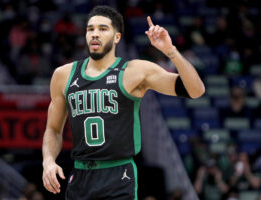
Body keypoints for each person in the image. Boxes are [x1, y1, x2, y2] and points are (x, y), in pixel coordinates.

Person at [42, 5, 205, 199]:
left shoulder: (135, 71)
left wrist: (170, 51)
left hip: (118, 174)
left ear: (117, 37)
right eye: (90, 29)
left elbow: (196, 90)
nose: (95, 34)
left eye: (103, 29)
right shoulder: (63, 75)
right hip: (80, 175)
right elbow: (53, 129)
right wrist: (49, 161)